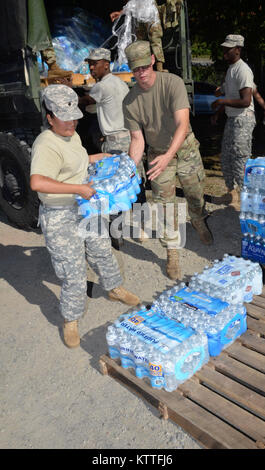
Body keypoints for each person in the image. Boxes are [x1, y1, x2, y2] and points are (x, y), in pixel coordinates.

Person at [30, 84, 140, 349]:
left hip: (85, 206)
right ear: (50, 118)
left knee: (102, 249)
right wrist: (78, 188)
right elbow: (37, 182)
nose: (72, 122)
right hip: (60, 214)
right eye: (64, 118)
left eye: (74, 116)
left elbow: (75, 163)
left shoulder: (71, 135)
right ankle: (71, 319)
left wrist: (97, 158)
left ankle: (113, 288)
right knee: (74, 271)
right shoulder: (46, 143)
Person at [123, 40, 213, 281]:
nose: (141, 73)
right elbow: (137, 139)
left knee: (195, 193)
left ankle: (198, 220)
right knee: (165, 206)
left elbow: (182, 124)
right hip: (157, 153)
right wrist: (131, 168)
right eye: (135, 69)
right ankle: (171, 251)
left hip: (184, 149)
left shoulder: (172, 83)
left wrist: (168, 156)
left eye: (144, 66)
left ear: (152, 60)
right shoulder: (130, 101)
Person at [211, 34, 256, 211]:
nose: (224, 52)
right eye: (224, 48)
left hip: (243, 119)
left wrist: (221, 102)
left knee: (240, 160)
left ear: (238, 50)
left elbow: (245, 100)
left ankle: (247, 203)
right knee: (226, 157)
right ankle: (232, 194)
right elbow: (228, 95)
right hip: (233, 118)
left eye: (228, 49)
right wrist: (219, 112)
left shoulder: (243, 70)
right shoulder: (231, 69)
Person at [110, 0, 166, 72]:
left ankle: (159, 67)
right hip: (139, 14)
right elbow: (133, 3)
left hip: (150, 11)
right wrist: (121, 12)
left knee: (155, 39)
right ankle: (142, 67)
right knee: (140, 42)